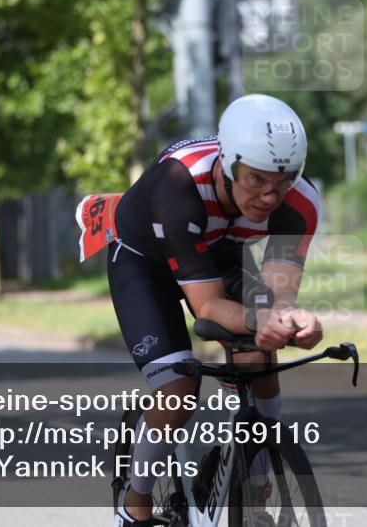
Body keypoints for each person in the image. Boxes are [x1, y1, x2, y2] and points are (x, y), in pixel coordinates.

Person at [106, 94, 322, 526]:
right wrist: (259, 319)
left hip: (220, 251)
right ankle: (135, 504)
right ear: (227, 163)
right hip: (144, 262)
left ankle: (253, 493)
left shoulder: (299, 204)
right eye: (255, 179)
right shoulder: (177, 183)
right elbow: (206, 306)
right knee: (180, 389)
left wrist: (292, 321)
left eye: (283, 181)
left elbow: (278, 301)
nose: (268, 196)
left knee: (260, 358)